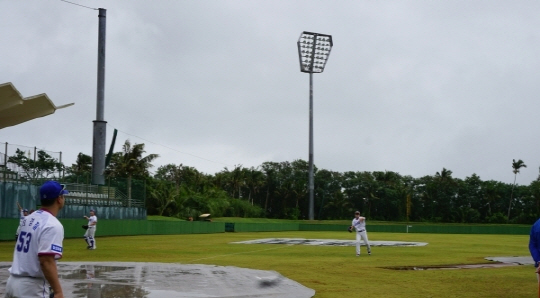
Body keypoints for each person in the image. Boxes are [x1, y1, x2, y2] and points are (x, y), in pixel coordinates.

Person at [5, 181, 68, 298]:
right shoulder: (52, 224)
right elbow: (46, 261)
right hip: (31, 288)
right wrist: (58, 291)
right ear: (59, 199)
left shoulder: (28, 219)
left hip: (12, 282)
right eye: (63, 195)